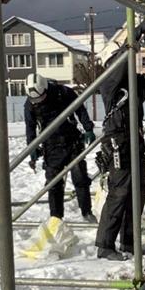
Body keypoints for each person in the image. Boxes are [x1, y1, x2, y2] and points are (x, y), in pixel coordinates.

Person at [95, 17, 145, 260]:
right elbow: (121, 60)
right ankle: (105, 245)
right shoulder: (110, 84)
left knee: (137, 193)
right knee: (120, 192)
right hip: (118, 143)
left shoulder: (133, 85)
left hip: (134, 143)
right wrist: (135, 34)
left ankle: (129, 241)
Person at [24, 72, 97, 223]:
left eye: (40, 97)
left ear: (45, 88)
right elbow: (30, 127)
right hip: (51, 146)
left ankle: (87, 212)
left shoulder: (63, 93)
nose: (38, 101)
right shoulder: (30, 104)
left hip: (72, 141)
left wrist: (88, 128)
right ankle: (56, 218)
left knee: (80, 178)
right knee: (54, 183)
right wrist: (32, 147)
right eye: (34, 99)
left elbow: (80, 109)